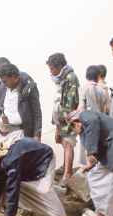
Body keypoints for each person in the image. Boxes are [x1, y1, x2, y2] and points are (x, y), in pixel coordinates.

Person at [0, 137, 70, 216]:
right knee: (6, 185)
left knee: (44, 191)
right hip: (28, 167)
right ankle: (9, 211)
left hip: (44, 159)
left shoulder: (11, 161)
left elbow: (13, 190)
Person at [68, 111, 113, 216]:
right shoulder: (88, 128)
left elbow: (93, 121)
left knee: (111, 182)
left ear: (76, 123)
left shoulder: (85, 115)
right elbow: (101, 146)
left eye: (73, 129)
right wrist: (91, 164)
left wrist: (90, 151)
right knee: (94, 175)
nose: (75, 133)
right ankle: (101, 212)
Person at [47, 53, 80, 182]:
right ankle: (66, 169)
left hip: (67, 118)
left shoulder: (70, 78)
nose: (50, 71)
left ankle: (68, 175)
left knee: (68, 143)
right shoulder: (61, 79)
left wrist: (66, 120)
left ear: (60, 66)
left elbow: (71, 102)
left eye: (52, 68)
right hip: (60, 118)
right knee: (64, 143)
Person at [0, 62, 42, 145]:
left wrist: (37, 135)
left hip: (19, 134)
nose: (4, 84)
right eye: (3, 81)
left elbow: (37, 113)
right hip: (1, 133)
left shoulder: (28, 88)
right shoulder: (2, 88)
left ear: (14, 77)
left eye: (6, 81)